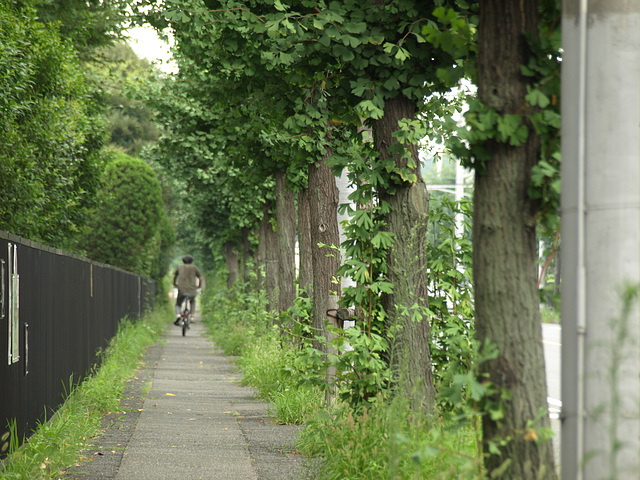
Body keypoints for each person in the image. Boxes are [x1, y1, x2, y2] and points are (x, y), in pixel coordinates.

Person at [173, 255, 203, 325]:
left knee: (178, 304)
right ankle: (192, 316)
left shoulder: (179, 267)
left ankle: (178, 314)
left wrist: (175, 283)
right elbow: (200, 278)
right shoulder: (194, 268)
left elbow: (175, 276)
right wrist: (199, 286)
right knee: (192, 301)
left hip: (182, 290)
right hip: (192, 290)